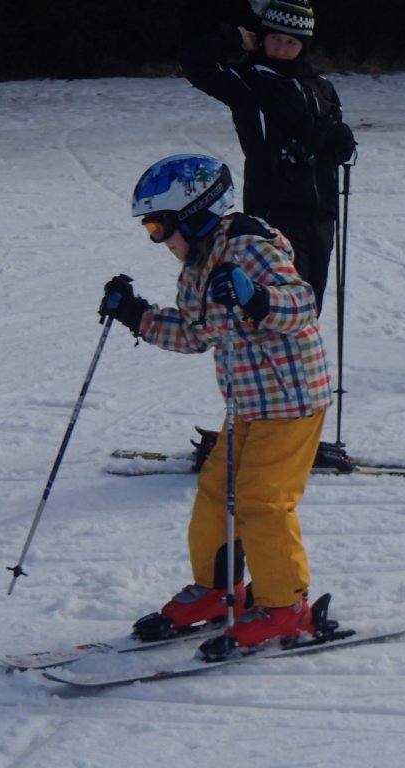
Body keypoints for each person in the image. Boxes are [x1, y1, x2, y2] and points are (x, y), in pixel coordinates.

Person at [98, 154, 332, 655]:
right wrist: (136, 314)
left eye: (160, 228)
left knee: (262, 501)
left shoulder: (249, 248)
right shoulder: (197, 268)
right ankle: (218, 589)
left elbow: (303, 304)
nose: (158, 240)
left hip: (292, 400)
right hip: (248, 404)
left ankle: (285, 606)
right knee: (215, 495)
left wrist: (257, 297)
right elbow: (195, 334)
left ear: (195, 214)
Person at [180, 0, 356, 317]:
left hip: (321, 216)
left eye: (291, 42)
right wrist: (232, 39)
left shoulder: (322, 87)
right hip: (275, 213)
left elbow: (331, 142)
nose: (282, 48)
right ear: (262, 38)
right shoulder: (249, 83)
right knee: (279, 309)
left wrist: (341, 145)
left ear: (303, 46)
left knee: (308, 310)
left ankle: (306, 351)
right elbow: (194, 63)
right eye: (275, 38)